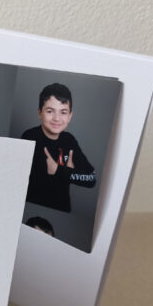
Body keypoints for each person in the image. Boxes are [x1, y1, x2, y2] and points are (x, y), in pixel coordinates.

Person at [21, 83, 95, 212]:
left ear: (70, 116)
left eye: (63, 112)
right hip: (31, 208)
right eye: (50, 111)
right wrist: (69, 172)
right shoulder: (29, 137)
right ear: (40, 113)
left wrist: (60, 171)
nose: (57, 118)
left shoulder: (69, 140)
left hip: (61, 210)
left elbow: (91, 179)